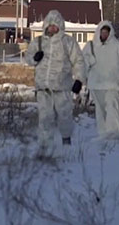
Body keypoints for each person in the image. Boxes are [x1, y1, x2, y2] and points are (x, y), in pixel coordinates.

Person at [26, 9, 85, 149]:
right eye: (50, 25)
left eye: (55, 25)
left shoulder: (68, 43)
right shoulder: (38, 42)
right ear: (45, 26)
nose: (52, 28)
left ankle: (66, 142)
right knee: (45, 119)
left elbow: (79, 61)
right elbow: (28, 58)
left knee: (65, 117)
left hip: (62, 88)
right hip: (43, 88)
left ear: (60, 26)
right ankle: (45, 147)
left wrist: (79, 80)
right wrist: (34, 58)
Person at [83, 20, 119, 138]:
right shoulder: (91, 46)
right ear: (98, 32)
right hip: (95, 84)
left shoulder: (118, 47)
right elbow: (82, 63)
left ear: (110, 33)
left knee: (112, 107)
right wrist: (82, 78)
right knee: (100, 111)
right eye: (102, 32)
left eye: (106, 32)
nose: (104, 35)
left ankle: (113, 133)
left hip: (113, 84)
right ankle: (103, 134)